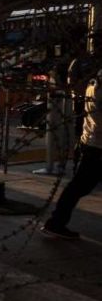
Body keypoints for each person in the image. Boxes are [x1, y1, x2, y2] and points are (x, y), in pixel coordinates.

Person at [41, 68, 102, 240]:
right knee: (79, 186)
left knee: (79, 186)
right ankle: (56, 222)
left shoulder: (95, 79)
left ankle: (56, 222)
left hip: (91, 142)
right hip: (97, 146)